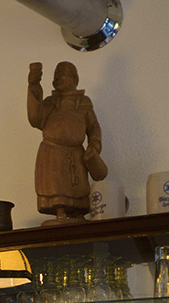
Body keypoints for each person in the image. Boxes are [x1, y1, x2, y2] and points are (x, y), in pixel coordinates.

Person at [27, 60, 108, 222]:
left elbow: (93, 127)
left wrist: (95, 144)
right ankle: (60, 212)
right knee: (55, 188)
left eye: (61, 76)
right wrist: (34, 84)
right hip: (52, 151)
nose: (57, 80)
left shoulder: (83, 102)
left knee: (77, 187)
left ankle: (76, 212)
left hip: (76, 153)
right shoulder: (50, 102)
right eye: (55, 77)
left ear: (74, 80)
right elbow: (36, 118)